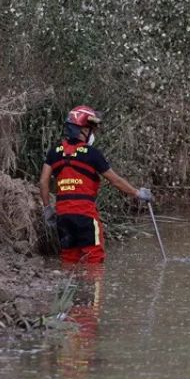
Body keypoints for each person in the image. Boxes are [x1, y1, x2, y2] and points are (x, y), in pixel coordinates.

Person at [39, 105, 153, 264]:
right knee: (94, 260)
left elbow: (43, 181)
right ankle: (93, 288)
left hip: (63, 215)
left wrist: (47, 209)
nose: (94, 133)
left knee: (69, 259)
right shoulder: (92, 154)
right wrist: (138, 193)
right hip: (85, 214)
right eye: (92, 129)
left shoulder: (54, 152)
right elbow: (115, 180)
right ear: (84, 130)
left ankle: (69, 288)